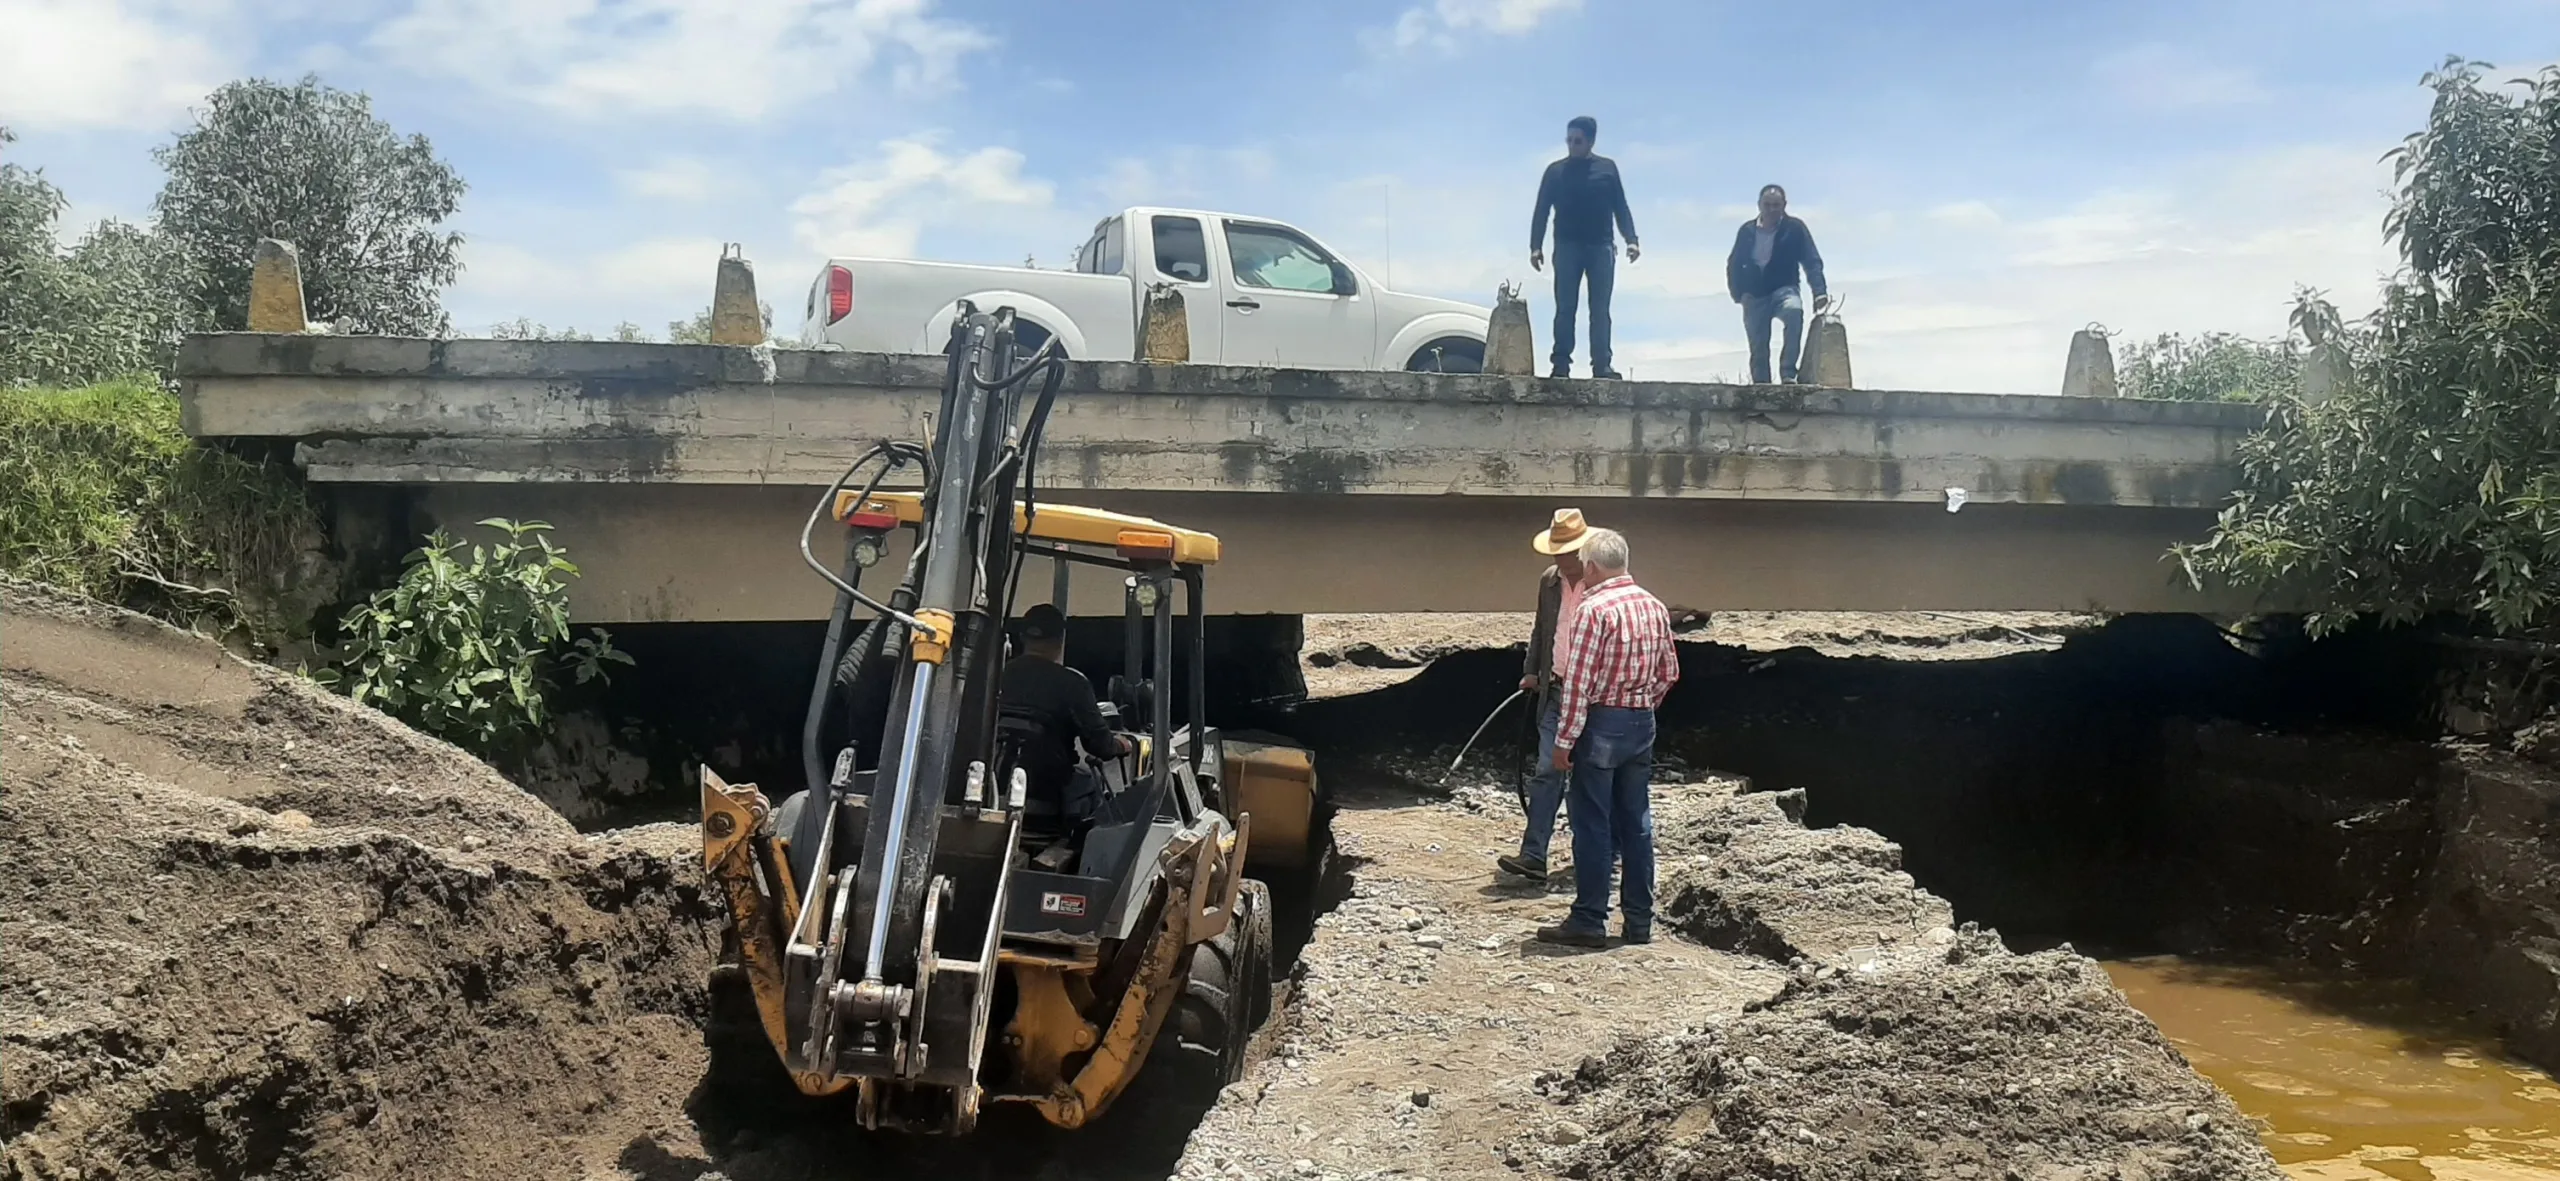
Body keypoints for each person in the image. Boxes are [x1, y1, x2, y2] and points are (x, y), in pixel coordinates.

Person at [1535, 528, 1679, 948]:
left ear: (1592, 566)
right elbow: (1668, 673)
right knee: (1636, 824)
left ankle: (1589, 919)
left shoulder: (1592, 609)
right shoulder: (1652, 605)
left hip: (1599, 725)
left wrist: (1565, 739)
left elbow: (1578, 684)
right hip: (1640, 723)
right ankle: (1639, 922)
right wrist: (1638, 704)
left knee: (1592, 824)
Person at [1498, 508, 1594, 883]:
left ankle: (1595, 853)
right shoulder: (1550, 582)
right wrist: (1531, 671)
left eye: (1568, 551)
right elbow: (1542, 628)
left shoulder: (1600, 582)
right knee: (1545, 771)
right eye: (1557, 551)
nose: (1561, 559)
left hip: (1591, 695)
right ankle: (1534, 855)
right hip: (1554, 690)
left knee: (1589, 775)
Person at [1530, 115, 1640, 381]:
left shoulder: (1607, 169)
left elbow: (1620, 206)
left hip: (1601, 247)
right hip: (1567, 247)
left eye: (1577, 141)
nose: (1572, 145)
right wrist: (1535, 246)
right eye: (1569, 140)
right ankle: (1560, 366)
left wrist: (1631, 239)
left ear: (1590, 141)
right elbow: (1541, 210)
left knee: (1600, 309)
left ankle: (1602, 366)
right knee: (1565, 307)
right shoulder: (1555, 171)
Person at [998, 604, 1131, 821]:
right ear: (1060, 639)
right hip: (1049, 791)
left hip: (993, 787)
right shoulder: (1073, 684)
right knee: (1096, 792)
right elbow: (1100, 746)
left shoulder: (996, 675)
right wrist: (1121, 744)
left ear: (1023, 637)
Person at [1724, 184, 1830, 384]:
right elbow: (1734, 263)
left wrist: (1819, 292)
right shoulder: (1747, 231)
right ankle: (1762, 386)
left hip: (1784, 288)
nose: (1772, 209)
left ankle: (1788, 372)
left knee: (1794, 312)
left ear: (1784, 206)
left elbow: (1811, 260)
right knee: (1758, 346)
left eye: (1776, 205)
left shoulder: (1795, 229)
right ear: (1759, 206)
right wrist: (1738, 293)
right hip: (1754, 294)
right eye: (1768, 205)